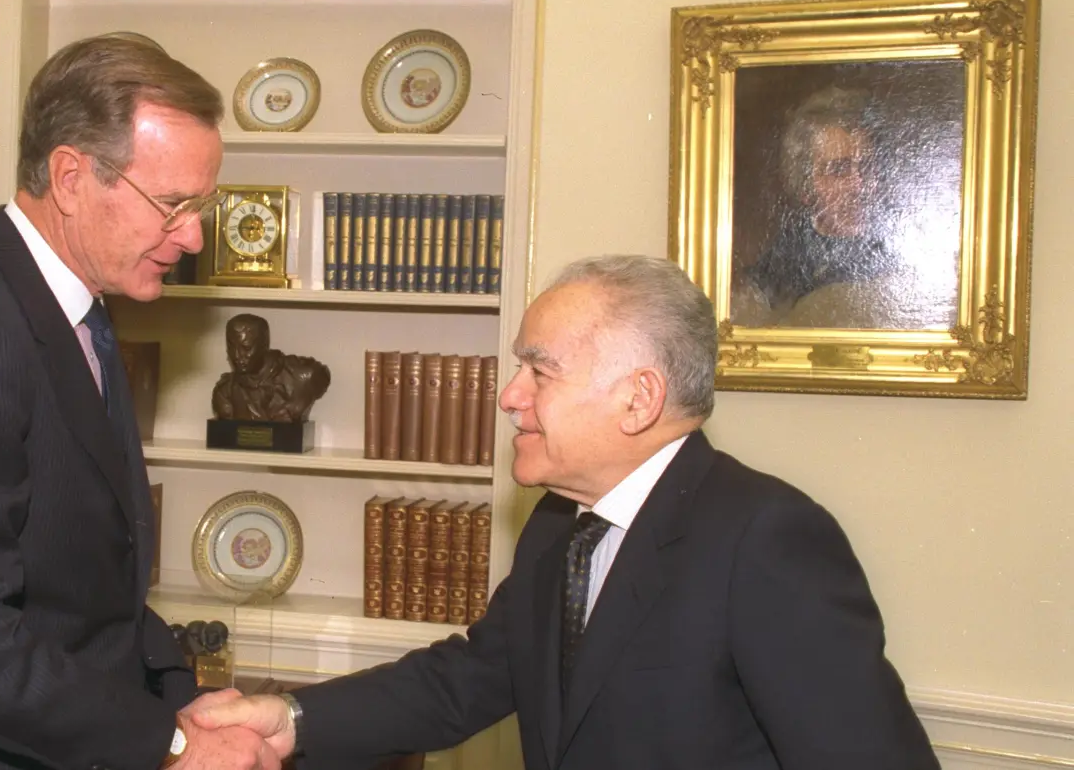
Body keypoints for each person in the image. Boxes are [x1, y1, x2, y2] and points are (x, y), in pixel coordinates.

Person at [193, 254, 939, 770]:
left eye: (539, 371)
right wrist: (290, 719)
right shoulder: (560, 524)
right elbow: (474, 678)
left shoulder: (768, 540)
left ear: (638, 399)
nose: (509, 396)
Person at [0, 35, 277, 770]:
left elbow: (85, 592)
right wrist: (170, 743)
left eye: (200, 206)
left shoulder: (77, 310)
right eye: (172, 205)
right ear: (71, 178)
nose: (193, 236)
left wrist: (181, 701)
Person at [733, 85, 954, 330]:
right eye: (839, 169)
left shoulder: (908, 251)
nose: (860, 185)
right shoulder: (781, 261)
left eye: (867, 166)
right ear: (806, 185)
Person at [211, 313, 330, 422]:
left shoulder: (296, 375)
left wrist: (300, 400)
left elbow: (320, 374)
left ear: (264, 345)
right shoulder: (225, 391)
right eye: (231, 347)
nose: (237, 356)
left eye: (246, 348)